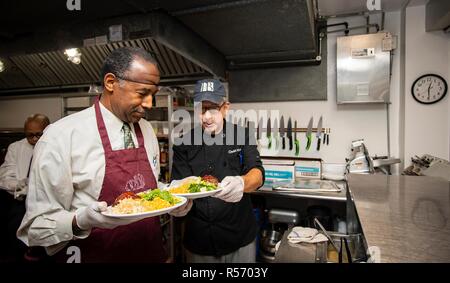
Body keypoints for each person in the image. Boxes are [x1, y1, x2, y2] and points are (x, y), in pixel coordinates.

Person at [17, 47, 189, 263]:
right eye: (142, 93)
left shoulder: (146, 130)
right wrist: (80, 220)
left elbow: (147, 190)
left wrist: (175, 196)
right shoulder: (62, 136)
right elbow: (36, 226)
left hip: (149, 252)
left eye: (152, 95)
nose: (149, 104)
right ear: (110, 83)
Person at [171, 78, 265, 263]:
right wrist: (178, 204)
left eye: (213, 108)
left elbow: (258, 173)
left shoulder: (242, 135)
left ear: (225, 108)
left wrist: (242, 183)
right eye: (201, 109)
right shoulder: (183, 143)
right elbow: (177, 186)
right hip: (199, 240)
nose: (207, 117)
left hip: (239, 236)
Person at [0, 114, 50, 261]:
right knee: (16, 233)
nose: (34, 139)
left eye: (38, 134)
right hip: (21, 201)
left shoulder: (54, 145)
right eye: (30, 135)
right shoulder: (16, 148)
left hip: (46, 200)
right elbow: (4, 177)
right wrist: (20, 185)